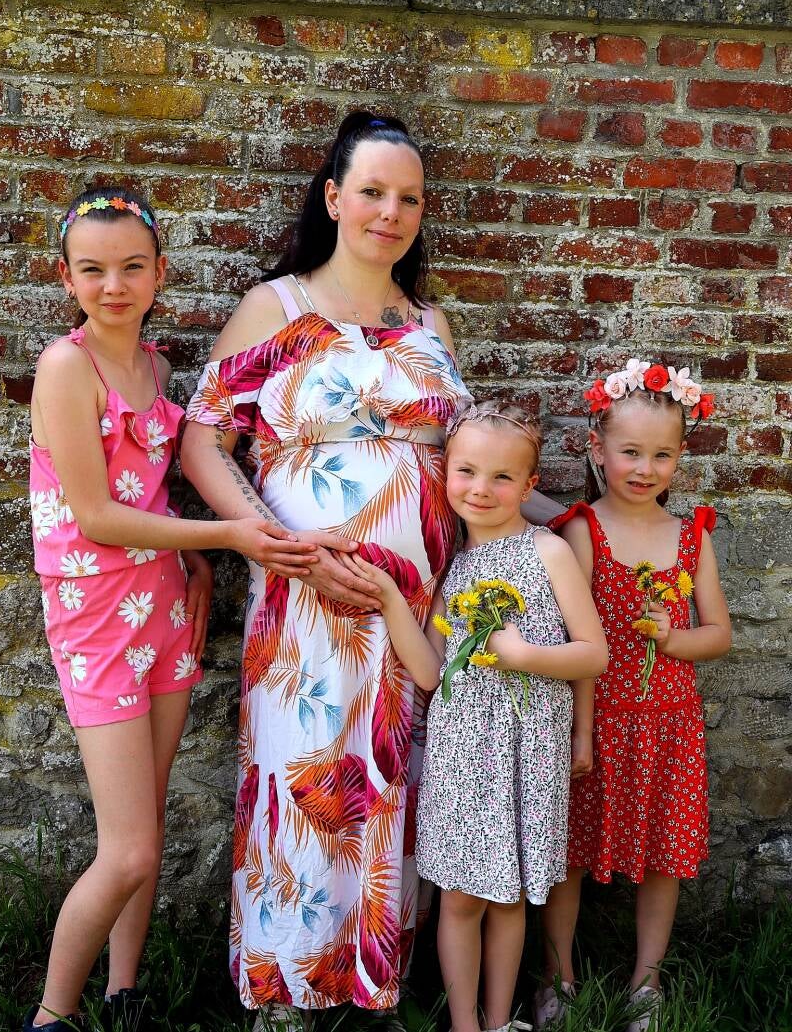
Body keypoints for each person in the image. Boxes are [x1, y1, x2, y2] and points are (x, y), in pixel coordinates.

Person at [180, 111, 475, 1027]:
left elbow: (468, 461)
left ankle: (370, 978)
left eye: (409, 198)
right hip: (304, 596)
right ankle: (283, 989)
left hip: (413, 606)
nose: (391, 212)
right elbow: (203, 438)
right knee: (301, 778)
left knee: (389, 776)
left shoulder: (430, 323)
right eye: (373, 192)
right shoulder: (278, 308)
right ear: (334, 197)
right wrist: (273, 540)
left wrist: (572, 525)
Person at [24, 187, 324, 1032]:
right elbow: (96, 515)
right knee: (128, 850)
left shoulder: (156, 370)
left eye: (131, 267)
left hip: (161, 610)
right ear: (66, 278)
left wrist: (191, 558)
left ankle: (124, 994)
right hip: (95, 623)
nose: (113, 285)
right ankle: (49, 1015)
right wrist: (225, 534)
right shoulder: (66, 369)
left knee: (148, 824)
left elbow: (148, 491)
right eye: (92, 270)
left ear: (160, 271)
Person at [341, 400, 608, 1032]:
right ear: (446, 474)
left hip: (527, 749)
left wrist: (525, 655)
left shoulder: (548, 551)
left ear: (530, 484)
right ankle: (464, 1023)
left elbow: (593, 653)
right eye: (466, 471)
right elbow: (431, 672)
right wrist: (390, 598)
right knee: (460, 898)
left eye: (502, 477)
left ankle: (497, 1020)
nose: (481, 489)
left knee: (508, 897)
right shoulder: (453, 569)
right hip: (462, 751)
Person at [536, 361, 731, 1032]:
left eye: (662, 455)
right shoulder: (583, 530)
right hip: (598, 718)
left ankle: (647, 980)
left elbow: (719, 633)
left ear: (680, 457)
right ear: (597, 449)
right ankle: (558, 975)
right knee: (570, 852)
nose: (645, 469)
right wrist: (581, 731)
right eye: (630, 452)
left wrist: (674, 639)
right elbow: (578, 640)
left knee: (662, 856)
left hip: (669, 723)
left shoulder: (690, 535)